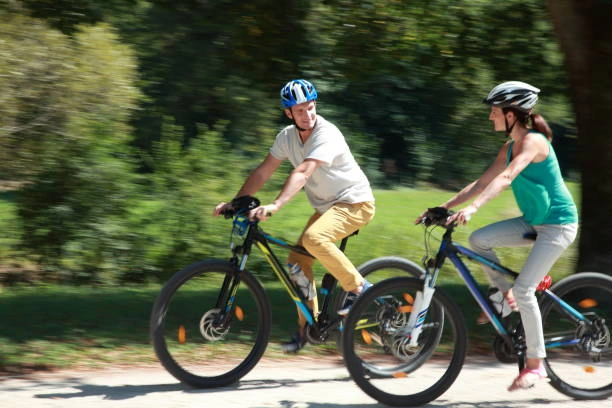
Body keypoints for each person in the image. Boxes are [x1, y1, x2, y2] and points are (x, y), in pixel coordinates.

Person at [417, 81, 578, 391]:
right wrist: (442, 207)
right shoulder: (507, 147)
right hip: (534, 221)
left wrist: (474, 208)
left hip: (558, 225)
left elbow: (506, 178)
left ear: (511, 114)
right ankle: (502, 298)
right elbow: (480, 183)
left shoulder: (534, 143)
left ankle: (536, 366)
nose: (490, 117)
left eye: (494, 112)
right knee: (479, 240)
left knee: (525, 291)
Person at [213, 79, 376, 352]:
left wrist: (276, 205)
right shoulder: (286, 137)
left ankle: (361, 289)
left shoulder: (326, 133)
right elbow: (264, 171)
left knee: (314, 238)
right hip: (328, 208)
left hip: (354, 203)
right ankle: (307, 329)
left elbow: (303, 172)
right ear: (288, 113)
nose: (308, 115)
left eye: (311, 108)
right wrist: (236, 202)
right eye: (300, 110)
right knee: (297, 263)